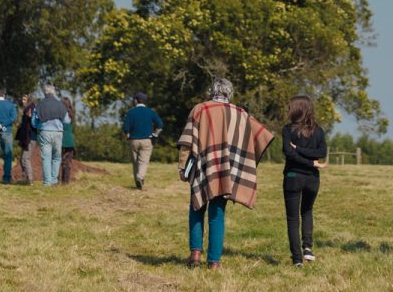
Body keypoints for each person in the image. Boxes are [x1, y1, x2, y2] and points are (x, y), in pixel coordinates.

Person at [178, 78, 273, 270]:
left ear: (212, 91)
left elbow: (187, 142)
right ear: (229, 93)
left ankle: (195, 253)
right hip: (225, 170)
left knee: (196, 208)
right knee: (217, 214)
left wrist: (183, 167)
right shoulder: (240, 114)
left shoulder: (200, 109)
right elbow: (261, 135)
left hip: (203, 166)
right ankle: (214, 262)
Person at [280, 94, 328, 266]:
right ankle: (307, 247)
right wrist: (311, 163)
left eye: (290, 107)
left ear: (297, 109)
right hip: (312, 179)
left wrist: (298, 148)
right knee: (307, 212)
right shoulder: (319, 131)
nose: (287, 110)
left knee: (293, 218)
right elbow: (320, 153)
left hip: (293, 177)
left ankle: (297, 258)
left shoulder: (287, 130)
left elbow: (289, 153)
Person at [122, 93, 163, 190]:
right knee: (143, 161)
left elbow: (126, 128)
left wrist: (128, 136)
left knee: (135, 162)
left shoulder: (130, 112)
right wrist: (155, 134)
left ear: (136, 100)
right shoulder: (150, 112)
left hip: (134, 140)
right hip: (147, 140)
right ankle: (140, 177)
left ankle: (137, 181)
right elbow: (160, 125)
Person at [34, 86, 68, 186]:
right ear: (54, 93)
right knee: (57, 157)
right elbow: (66, 121)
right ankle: (54, 180)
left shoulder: (40, 105)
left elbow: (34, 120)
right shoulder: (61, 105)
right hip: (58, 132)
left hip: (45, 132)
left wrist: (38, 126)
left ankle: (47, 182)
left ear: (45, 94)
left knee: (46, 157)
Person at [15, 94, 37, 185]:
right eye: (22, 99)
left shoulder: (30, 108)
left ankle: (30, 180)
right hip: (26, 138)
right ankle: (25, 178)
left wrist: (29, 116)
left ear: (28, 100)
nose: (22, 101)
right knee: (22, 159)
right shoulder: (27, 109)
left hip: (30, 138)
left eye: (24, 99)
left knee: (25, 158)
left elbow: (32, 119)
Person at [59, 96, 77, 185]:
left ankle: (57, 181)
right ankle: (65, 182)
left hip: (61, 140)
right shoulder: (71, 114)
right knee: (67, 163)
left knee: (57, 162)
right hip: (70, 141)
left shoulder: (60, 115)